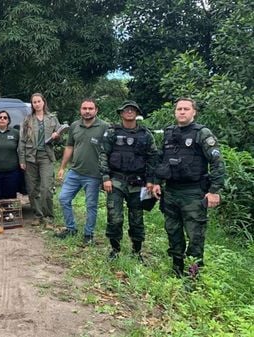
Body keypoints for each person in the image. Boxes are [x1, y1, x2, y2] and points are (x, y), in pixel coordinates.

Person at [152, 98, 225, 277]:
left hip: (193, 193)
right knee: (173, 231)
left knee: (195, 236)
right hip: (171, 191)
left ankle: (192, 276)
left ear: (194, 112)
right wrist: (156, 182)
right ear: (175, 112)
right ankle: (176, 269)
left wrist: (214, 191)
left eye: (186, 109)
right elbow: (162, 160)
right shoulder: (169, 132)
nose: (182, 112)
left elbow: (217, 162)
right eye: (179, 109)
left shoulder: (202, 133)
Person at [99, 101, 158, 261]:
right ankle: (115, 250)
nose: (129, 112)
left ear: (137, 113)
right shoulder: (112, 132)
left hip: (138, 183)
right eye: (126, 110)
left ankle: (137, 251)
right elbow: (104, 154)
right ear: (121, 113)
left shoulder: (146, 134)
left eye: (133, 110)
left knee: (137, 219)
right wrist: (105, 177)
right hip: (116, 180)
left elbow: (153, 157)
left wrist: (151, 181)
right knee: (114, 217)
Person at [57, 99, 109, 244]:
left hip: (93, 175)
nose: (87, 111)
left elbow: (110, 151)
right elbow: (69, 147)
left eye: (90, 108)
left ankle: (89, 234)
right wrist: (62, 167)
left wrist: (106, 175)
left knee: (91, 205)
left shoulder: (104, 127)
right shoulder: (75, 125)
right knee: (63, 198)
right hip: (75, 171)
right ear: (80, 110)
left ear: (96, 110)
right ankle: (71, 228)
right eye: (84, 108)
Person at [18, 93, 63, 226]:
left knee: (46, 188)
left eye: (39, 101)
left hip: (46, 156)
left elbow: (60, 137)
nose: (36, 104)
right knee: (32, 189)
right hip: (30, 157)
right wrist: (22, 160)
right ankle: (38, 215)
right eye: (34, 102)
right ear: (32, 104)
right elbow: (21, 141)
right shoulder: (27, 120)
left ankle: (48, 216)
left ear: (43, 102)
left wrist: (57, 136)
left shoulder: (52, 119)